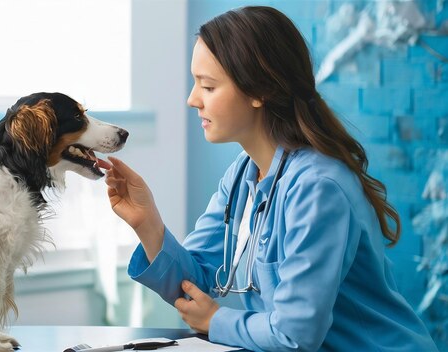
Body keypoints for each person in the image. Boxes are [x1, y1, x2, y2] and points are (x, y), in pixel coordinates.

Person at [99, 6, 439, 351]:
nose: (192, 100)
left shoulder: (317, 187)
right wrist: (148, 224)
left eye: (208, 86)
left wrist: (216, 320)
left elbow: (295, 334)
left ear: (260, 90)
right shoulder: (242, 175)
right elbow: (196, 286)